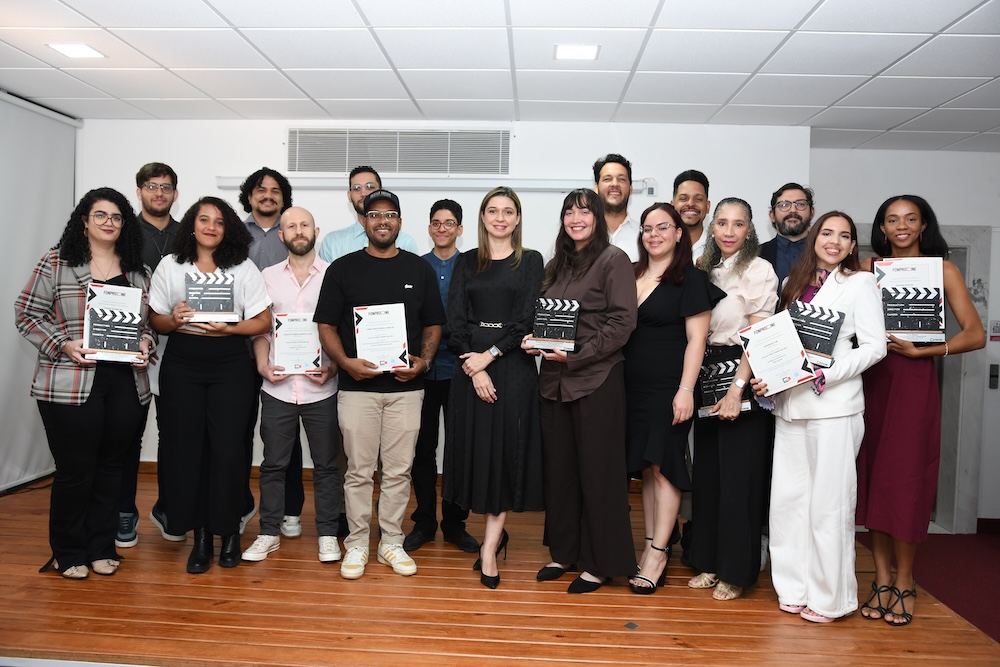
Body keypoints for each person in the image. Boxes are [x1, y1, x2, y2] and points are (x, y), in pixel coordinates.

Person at [856, 195, 985, 626]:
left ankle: (905, 580)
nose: (902, 226)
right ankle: (881, 578)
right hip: (871, 380)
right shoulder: (867, 269)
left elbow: (975, 334)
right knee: (873, 478)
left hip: (914, 381)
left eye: (910, 219)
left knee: (905, 480)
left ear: (924, 225)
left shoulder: (943, 270)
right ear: (882, 228)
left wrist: (924, 350)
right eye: (892, 220)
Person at [753, 211, 886, 623]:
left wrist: (830, 373)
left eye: (844, 236)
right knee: (788, 503)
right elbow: (781, 345)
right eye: (827, 233)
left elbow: (875, 347)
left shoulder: (860, 283)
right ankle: (793, 587)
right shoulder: (793, 284)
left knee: (829, 506)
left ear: (852, 246)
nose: (834, 241)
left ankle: (831, 598)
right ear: (814, 239)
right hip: (791, 408)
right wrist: (767, 379)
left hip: (835, 408)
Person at [16, 187, 154, 579]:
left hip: (126, 384)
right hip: (70, 382)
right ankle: (68, 551)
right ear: (84, 221)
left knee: (112, 469)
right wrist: (63, 344)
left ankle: (101, 546)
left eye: (116, 217)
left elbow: (146, 327)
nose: (109, 222)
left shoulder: (138, 271)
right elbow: (26, 313)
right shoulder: (56, 262)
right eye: (100, 215)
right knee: (75, 471)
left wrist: (145, 342)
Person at [314, 189, 445, 580]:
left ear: (399, 222)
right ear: (364, 221)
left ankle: (391, 541)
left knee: (399, 472)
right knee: (358, 471)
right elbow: (325, 324)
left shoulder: (419, 270)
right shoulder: (342, 269)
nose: (382, 221)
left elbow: (433, 323)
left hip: (406, 390)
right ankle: (356, 543)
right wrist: (345, 363)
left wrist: (424, 362)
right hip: (357, 390)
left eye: (390, 215)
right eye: (374, 215)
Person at [148, 196, 271, 574]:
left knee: (229, 449)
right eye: (204, 220)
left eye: (219, 221)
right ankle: (200, 535)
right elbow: (155, 319)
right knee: (188, 450)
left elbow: (263, 320)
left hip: (230, 363)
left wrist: (230, 328)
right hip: (182, 362)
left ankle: (229, 532)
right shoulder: (171, 265)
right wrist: (174, 319)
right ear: (192, 224)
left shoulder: (243, 266)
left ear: (228, 228)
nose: (211, 227)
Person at [524, 188, 637, 594]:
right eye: (569, 212)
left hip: (596, 381)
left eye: (584, 212)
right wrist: (533, 340)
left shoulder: (614, 260)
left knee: (598, 475)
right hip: (553, 384)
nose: (576, 219)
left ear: (598, 219)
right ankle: (564, 552)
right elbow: (546, 319)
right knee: (560, 473)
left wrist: (576, 356)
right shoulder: (556, 264)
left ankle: (599, 563)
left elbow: (622, 323)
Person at [442, 187, 545, 589]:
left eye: (508, 211)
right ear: (483, 217)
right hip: (469, 369)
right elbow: (455, 322)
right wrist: (475, 367)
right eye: (493, 211)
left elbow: (526, 321)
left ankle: (489, 547)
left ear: (517, 218)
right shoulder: (467, 261)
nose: (500, 218)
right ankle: (491, 537)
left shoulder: (530, 261)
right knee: (476, 453)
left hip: (512, 369)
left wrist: (489, 357)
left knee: (503, 455)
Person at [623, 203, 720, 594]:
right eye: (648, 228)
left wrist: (685, 390)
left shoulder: (691, 279)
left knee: (664, 467)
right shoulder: (631, 273)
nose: (654, 234)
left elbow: (697, 340)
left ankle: (659, 554)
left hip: (669, 388)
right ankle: (650, 544)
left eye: (663, 227)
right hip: (630, 388)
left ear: (679, 233)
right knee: (648, 467)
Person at [241, 207, 344, 565]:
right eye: (291, 226)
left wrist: (333, 367)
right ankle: (268, 533)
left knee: (327, 466)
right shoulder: (266, 277)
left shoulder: (334, 275)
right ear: (281, 235)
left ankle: (327, 534)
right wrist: (261, 365)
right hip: (278, 388)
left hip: (322, 389)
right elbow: (261, 330)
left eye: (304, 225)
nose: (298, 231)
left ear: (316, 230)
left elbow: (340, 329)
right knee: (273, 465)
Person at [688, 197, 777, 601]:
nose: (728, 231)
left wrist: (737, 388)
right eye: (722, 223)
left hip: (741, 372)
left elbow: (758, 334)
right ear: (712, 227)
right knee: (709, 476)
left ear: (750, 229)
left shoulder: (759, 270)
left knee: (740, 479)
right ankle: (708, 561)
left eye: (737, 224)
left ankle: (736, 571)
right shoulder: (702, 267)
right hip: (705, 372)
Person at [403, 200, 480, 554]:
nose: (442, 228)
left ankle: (454, 523)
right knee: (422, 448)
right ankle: (424, 521)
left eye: (449, 223)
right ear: (429, 228)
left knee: (458, 449)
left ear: (460, 229)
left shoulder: (473, 267)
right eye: (436, 223)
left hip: (461, 370)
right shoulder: (416, 267)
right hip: (421, 370)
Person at [238, 167, 305, 538]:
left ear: (284, 197)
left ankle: (290, 509)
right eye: (260, 190)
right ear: (249, 196)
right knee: (239, 430)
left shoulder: (294, 232)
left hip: (288, 350)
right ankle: (240, 504)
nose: (268, 195)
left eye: (275, 190)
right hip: (239, 349)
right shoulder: (234, 233)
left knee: (286, 435)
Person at [118, 162, 181, 548]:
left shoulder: (188, 235)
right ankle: (124, 510)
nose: (159, 193)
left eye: (166, 186)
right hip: (131, 347)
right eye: (151, 186)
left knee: (174, 436)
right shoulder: (122, 232)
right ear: (139, 190)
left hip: (180, 348)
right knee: (128, 435)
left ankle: (170, 507)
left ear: (175, 193)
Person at [317, 166, 419, 262]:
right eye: (357, 188)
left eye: (370, 187)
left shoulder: (406, 242)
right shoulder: (332, 242)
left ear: (382, 191)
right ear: (349, 196)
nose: (363, 193)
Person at [759, 183, 816, 290]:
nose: (793, 210)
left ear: (812, 212)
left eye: (800, 204)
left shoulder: (826, 252)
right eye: (784, 205)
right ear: (772, 215)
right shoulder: (756, 255)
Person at [593, 153, 639, 261]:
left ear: (631, 188)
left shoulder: (644, 236)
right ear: (596, 187)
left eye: (621, 179)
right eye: (607, 179)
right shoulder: (581, 233)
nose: (614, 184)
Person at [670, 170, 711, 262]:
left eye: (698, 199)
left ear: (707, 206)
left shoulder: (719, 247)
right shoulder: (661, 244)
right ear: (672, 205)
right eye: (683, 198)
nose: (691, 204)